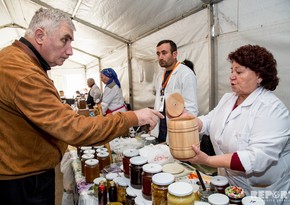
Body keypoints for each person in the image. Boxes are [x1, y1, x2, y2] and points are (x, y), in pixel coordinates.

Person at [0, 8, 163, 205]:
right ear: (40, 36)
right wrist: (133, 117)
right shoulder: (23, 72)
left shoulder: (21, 61)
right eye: (64, 40)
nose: (70, 50)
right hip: (22, 182)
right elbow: (74, 129)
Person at [183, 45, 290, 204]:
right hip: (229, 186)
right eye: (231, 71)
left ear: (259, 76)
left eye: (239, 72)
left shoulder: (272, 109)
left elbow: (256, 158)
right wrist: (189, 121)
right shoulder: (229, 98)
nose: (232, 76)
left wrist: (208, 161)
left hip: (262, 192)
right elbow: (208, 121)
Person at [152, 40, 198, 143]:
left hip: (177, 131)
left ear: (174, 54)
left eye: (164, 53)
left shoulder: (186, 74)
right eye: (158, 54)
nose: (160, 57)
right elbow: (160, 99)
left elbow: (192, 109)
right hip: (161, 130)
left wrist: (180, 128)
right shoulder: (160, 75)